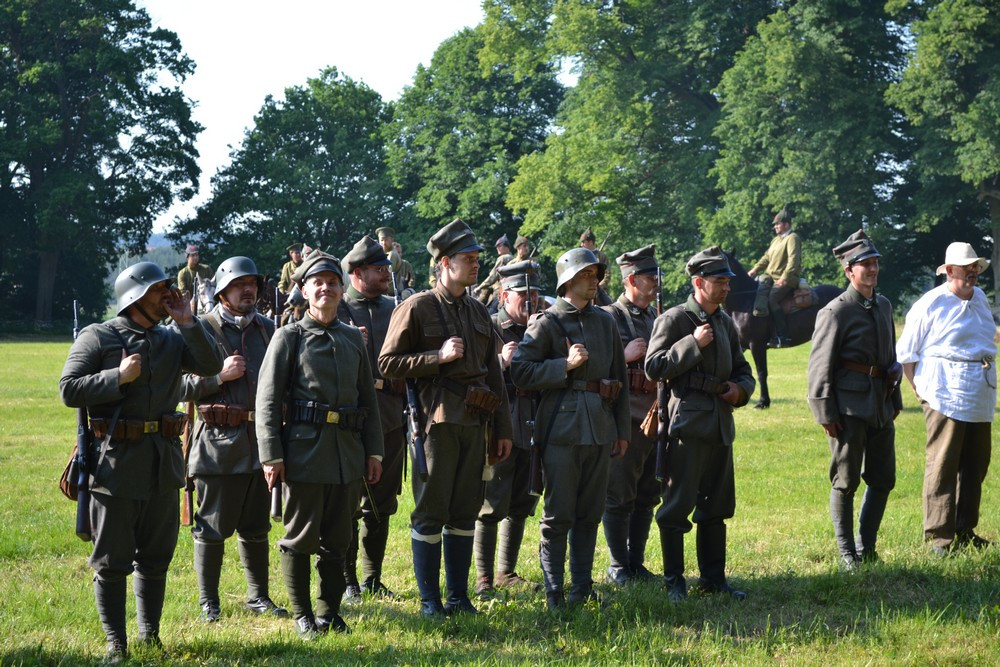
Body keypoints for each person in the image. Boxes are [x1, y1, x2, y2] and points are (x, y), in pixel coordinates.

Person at [59, 262, 222, 660]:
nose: (167, 294)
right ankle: (117, 642)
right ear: (133, 295)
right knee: (112, 560)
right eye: (159, 289)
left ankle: (150, 634)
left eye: (168, 287)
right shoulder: (99, 336)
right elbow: (69, 389)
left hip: (162, 463)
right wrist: (117, 377)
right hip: (115, 465)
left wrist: (188, 322)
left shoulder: (172, 338)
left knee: (156, 555)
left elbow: (212, 365)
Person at [379, 218, 514, 618]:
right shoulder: (417, 307)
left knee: (465, 509)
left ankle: (458, 596)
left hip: (477, 420)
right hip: (435, 423)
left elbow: (495, 376)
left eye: (477, 259)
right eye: (468, 259)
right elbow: (387, 363)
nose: (475, 265)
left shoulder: (478, 311)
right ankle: (429, 601)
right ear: (444, 263)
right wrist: (436, 358)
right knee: (431, 510)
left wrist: (503, 429)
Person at [256, 251, 384, 639]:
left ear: (342, 290)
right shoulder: (289, 337)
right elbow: (266, 398)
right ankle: (302, 614)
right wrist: (271, 454)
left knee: (339, 537)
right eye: (318, 283)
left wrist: (374, 450)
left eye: (332, 282)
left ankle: (329, 612)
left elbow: (368, 400)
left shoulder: (351, 338)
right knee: (300, 537)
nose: (325, 288)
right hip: (303, 452)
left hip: (347, 453)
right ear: (304, 291)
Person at [510, 247, 630, 610]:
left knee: (590, 511)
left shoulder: (606, 321)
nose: (594, 280)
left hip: (600, 426)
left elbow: (619, 379)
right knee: (559, 513)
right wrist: (563, 365)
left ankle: (581, 587)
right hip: (560, 428)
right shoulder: (546, 322)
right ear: (568, 280)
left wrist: (621, 430)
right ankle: (554, 592)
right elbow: (520, 370)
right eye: (587, 274)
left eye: (596, 274)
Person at [644, 246, 755, 602]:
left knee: (717, 506)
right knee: (676, 508)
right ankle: (674, 581)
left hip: (720, 424)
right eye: (719, 281)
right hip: (687, 426)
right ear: (698, 283)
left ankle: (713, 579)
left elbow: (742, 370)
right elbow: (654, 366)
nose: (725, 287)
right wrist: (691, 344)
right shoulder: (675, 320)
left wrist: (740, 390)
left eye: (727, 281)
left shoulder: (724, 321)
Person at [180, 257, 286, 623]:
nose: (249, 290)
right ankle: (209, 602)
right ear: (222, 290)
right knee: (212, 525)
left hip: (262, 443)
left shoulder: (269, 330)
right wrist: (217, 379)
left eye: (253, 284)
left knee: (257, 524)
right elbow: (174, 384)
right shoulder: (201, 329)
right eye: (240, 284)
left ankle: (258, 596)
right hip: (217, 445)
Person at [807, 230, 901, 571]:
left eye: (875, 263)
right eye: (865, 264)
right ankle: (847, 553)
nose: (872, 270)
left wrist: (895, 396)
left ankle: (867, 546)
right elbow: (820, 367)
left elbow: (890, 356)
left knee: (883, 478)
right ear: (849, 270)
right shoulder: (835, 311)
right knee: (845, 480)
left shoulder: (884, 304)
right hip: (848, 408)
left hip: (880, 404)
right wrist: (824, 412)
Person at [896, 241, 996, 556]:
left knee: (975, 463)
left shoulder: (979, 298)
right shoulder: (931, 303)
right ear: (949, 271)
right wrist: (919, 389)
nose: (973, 273)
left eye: (975, 267)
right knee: (943, 463)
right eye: (966, 268)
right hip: (944, 391)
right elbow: (907, 353)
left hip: (978, 391)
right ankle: (940, 537)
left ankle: (965, 529)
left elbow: (987, 334)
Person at [338, 236, 407, 599]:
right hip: (353, 419)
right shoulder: (338, 309)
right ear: (358, 272)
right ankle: (347, 580)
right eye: (380, 269)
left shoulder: (396, 308)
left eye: (387, 268)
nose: (386, 274)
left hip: (391, 418)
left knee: (382, 504)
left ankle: (371, 577)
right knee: (349, 502)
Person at [474, 260, 543, 599]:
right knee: (491, 504)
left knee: (522, 500)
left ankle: (506, 571)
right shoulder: (489, 328)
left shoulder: (542, 329)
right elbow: (472, 378)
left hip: (534, 424)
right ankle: (484, 578)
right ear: (503, 295)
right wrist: (500, 363)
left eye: (534, 294)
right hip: (500, 425)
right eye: (522, 295)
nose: (530, 301)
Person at [601, 244, 661, 585]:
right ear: (631, 279)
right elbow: (593, 366)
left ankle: (636, 563)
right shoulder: (609, 316)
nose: (655, 283)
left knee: (647, 493)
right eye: (650, 277)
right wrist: (624, 356)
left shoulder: (656, 317)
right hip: (624, 415)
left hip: (654, 414)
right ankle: (617, 565)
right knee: (619, 494)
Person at [747, 207, 802, 348]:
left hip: (787, 279)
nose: (775, 226)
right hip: (771, 278)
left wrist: (785, 277)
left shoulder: (792, 238)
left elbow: (793, 261)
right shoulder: (775, 240)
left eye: (778, 224)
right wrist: (754, 270)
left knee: (772, 299)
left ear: (787, 224)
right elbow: (766, 258)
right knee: (757, 296)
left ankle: (783, 336)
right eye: (775, 224)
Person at [474, 234, 514, 304]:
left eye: (499, 246)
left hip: (503, 290)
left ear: (506, 246)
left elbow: (493, 277)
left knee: (489, 312)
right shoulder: (513, 258)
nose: (497, 248)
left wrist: (479, 287)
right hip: (512, 289)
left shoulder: (502, 258)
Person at [579, 228, 613, 306]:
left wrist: (599, 285)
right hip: (584, 289)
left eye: (583, 242)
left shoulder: (601, 256)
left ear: (590, 242)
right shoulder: (581, 256)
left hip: (599, 289)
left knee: (609, 306)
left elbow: (607, 274)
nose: (581, 245)